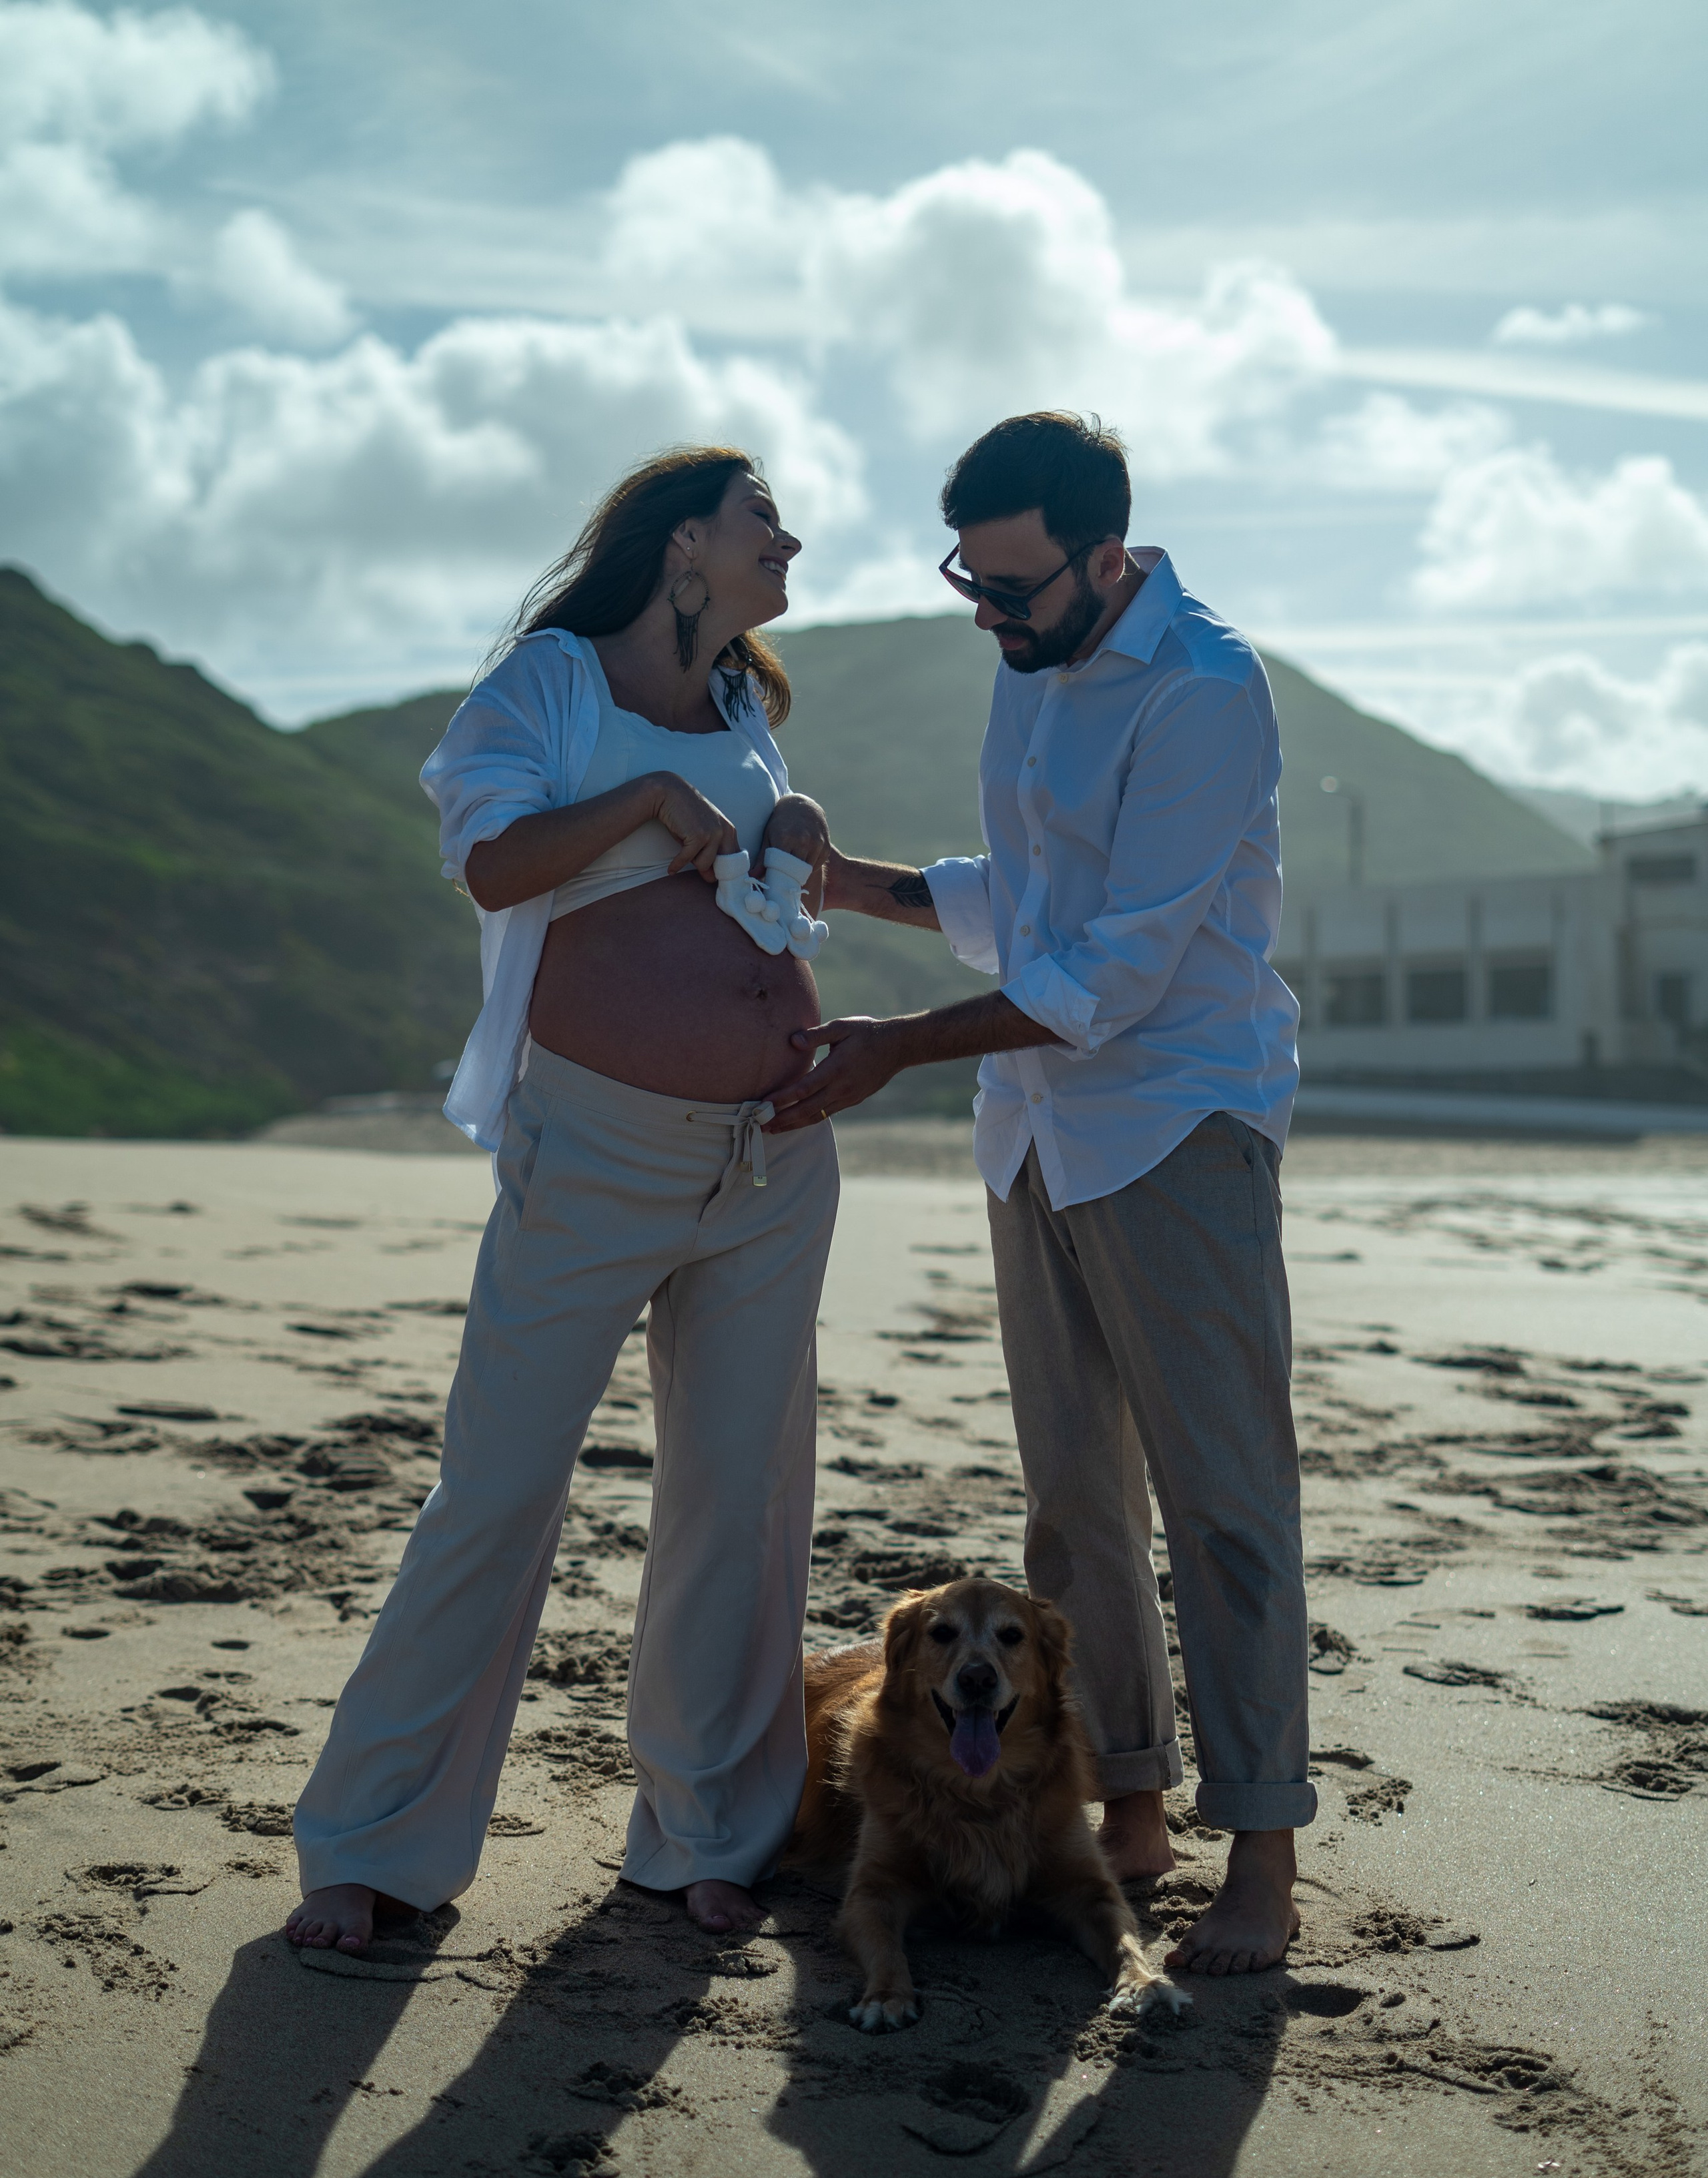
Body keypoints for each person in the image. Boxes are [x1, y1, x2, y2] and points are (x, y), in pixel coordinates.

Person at [767, 411, 1314, 1976]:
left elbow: (1118, 970)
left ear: (1103, 550)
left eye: (1013, 588)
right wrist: (855, 884)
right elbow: (1028, 904)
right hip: (1035, 1129)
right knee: (1072, 1515)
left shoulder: (1205, 690)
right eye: (970, 584)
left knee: (1225, 1508)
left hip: (1173, 1124)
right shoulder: (1030, 674)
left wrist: (897, 1048)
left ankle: (1260, 1854)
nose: (990, 617)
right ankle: (1127, 1808)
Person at [286, 446, 841, 1952]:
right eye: (759, 520)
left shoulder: (743, 703)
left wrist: (789, 839)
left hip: (774, 1155)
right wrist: (650, 796)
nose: (787, 540)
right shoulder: (551, 682)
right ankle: (373, 1842)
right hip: (595, 1147)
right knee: (500, 1490)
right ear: (679, 548)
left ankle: (704, 1835)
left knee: (741, 1505)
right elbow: (491, 861)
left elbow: (752, 897)